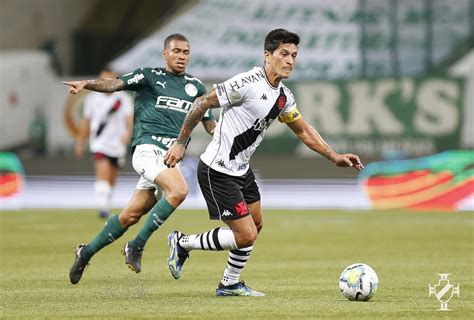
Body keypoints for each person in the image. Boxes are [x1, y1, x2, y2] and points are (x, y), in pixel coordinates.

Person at [164, 29, 364, 297]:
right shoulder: (246, 82)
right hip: (217, 170)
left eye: (294, 55)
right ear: (267, 56)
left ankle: (229, 283)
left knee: (256, 225)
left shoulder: (283, 96)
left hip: (241, 171)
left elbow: (303, 130)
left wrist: (334, 156)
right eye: (284, 54)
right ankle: (183, 242)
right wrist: (180, 143)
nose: (290, 60)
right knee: (246, 235)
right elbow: (202, 103)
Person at [63, 33, 216, 284]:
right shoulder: (148, 76)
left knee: (131, 215)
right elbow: (113, 85)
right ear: (165, 53)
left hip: (169, 160)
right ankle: (136, 245)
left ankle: (85, 252)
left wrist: (232, 134)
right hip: (147, 150)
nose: (181, 56)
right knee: (178, 191)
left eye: (186, 52)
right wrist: (86, 84)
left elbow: (210, 125)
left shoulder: (196, 87)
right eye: (176, 51)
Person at [75, 70, 134, 219]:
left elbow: (129, 120)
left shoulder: (123, 99)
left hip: (117, 144)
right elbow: (86, 122)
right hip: (99, 143)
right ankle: (103, 207)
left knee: (111, 178)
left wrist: (127, 133)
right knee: (102, 173)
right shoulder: (92, 99)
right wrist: (80, 142)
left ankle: (106, 203)